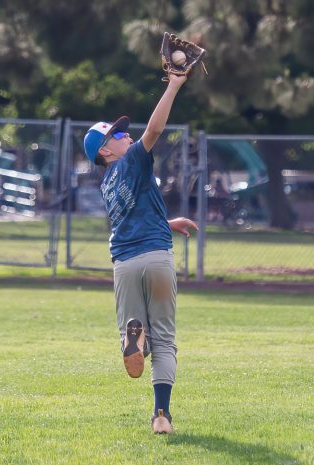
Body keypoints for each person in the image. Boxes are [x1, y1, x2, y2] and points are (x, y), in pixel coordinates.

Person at [83, 72, 198, 435]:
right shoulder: (132, 159)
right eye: (117, 134)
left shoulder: (107, 183)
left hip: (125, 263)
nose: (126, 135)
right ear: (106, 150)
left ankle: (135, 337)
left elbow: (136, 214)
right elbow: (155, 130)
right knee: (165, 338)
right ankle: (161, 415)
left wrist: (169, 220)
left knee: (137, 336)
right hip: (157, 259)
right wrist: (174, 85)